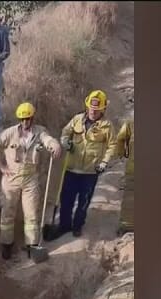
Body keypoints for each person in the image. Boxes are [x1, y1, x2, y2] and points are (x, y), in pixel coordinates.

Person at [0, 101, 62, 259]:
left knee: (31, 215)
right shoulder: (9, 133)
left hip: (30, 179)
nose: (25, 122)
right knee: (7, 214)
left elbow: (48, 140)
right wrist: (2, 167)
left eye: (28, 119)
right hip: (11, 179)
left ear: (32, 118)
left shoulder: (40, 132)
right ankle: (6, 245)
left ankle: (32, 246)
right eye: (22, 119)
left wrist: (55, 145)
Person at [54, 90, 116, 239]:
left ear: (103, 109)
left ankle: (77, 226)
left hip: (90, 172)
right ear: (87, 106)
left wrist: (104, 162)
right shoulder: (76, 119)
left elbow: (112, 145)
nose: (93, 112)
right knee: (66, 199)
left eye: (97, 109)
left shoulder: (107, 126)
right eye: (91, 108)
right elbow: (65, 133)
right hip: (71, 168)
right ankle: (64, 225)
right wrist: (65, 142)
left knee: (84, 201)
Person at [114, 116, 134, 236]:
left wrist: (121, 153)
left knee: (130, 198)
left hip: (133, 168)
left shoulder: (130, 122)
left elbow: (120, 139)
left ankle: (127, 226)